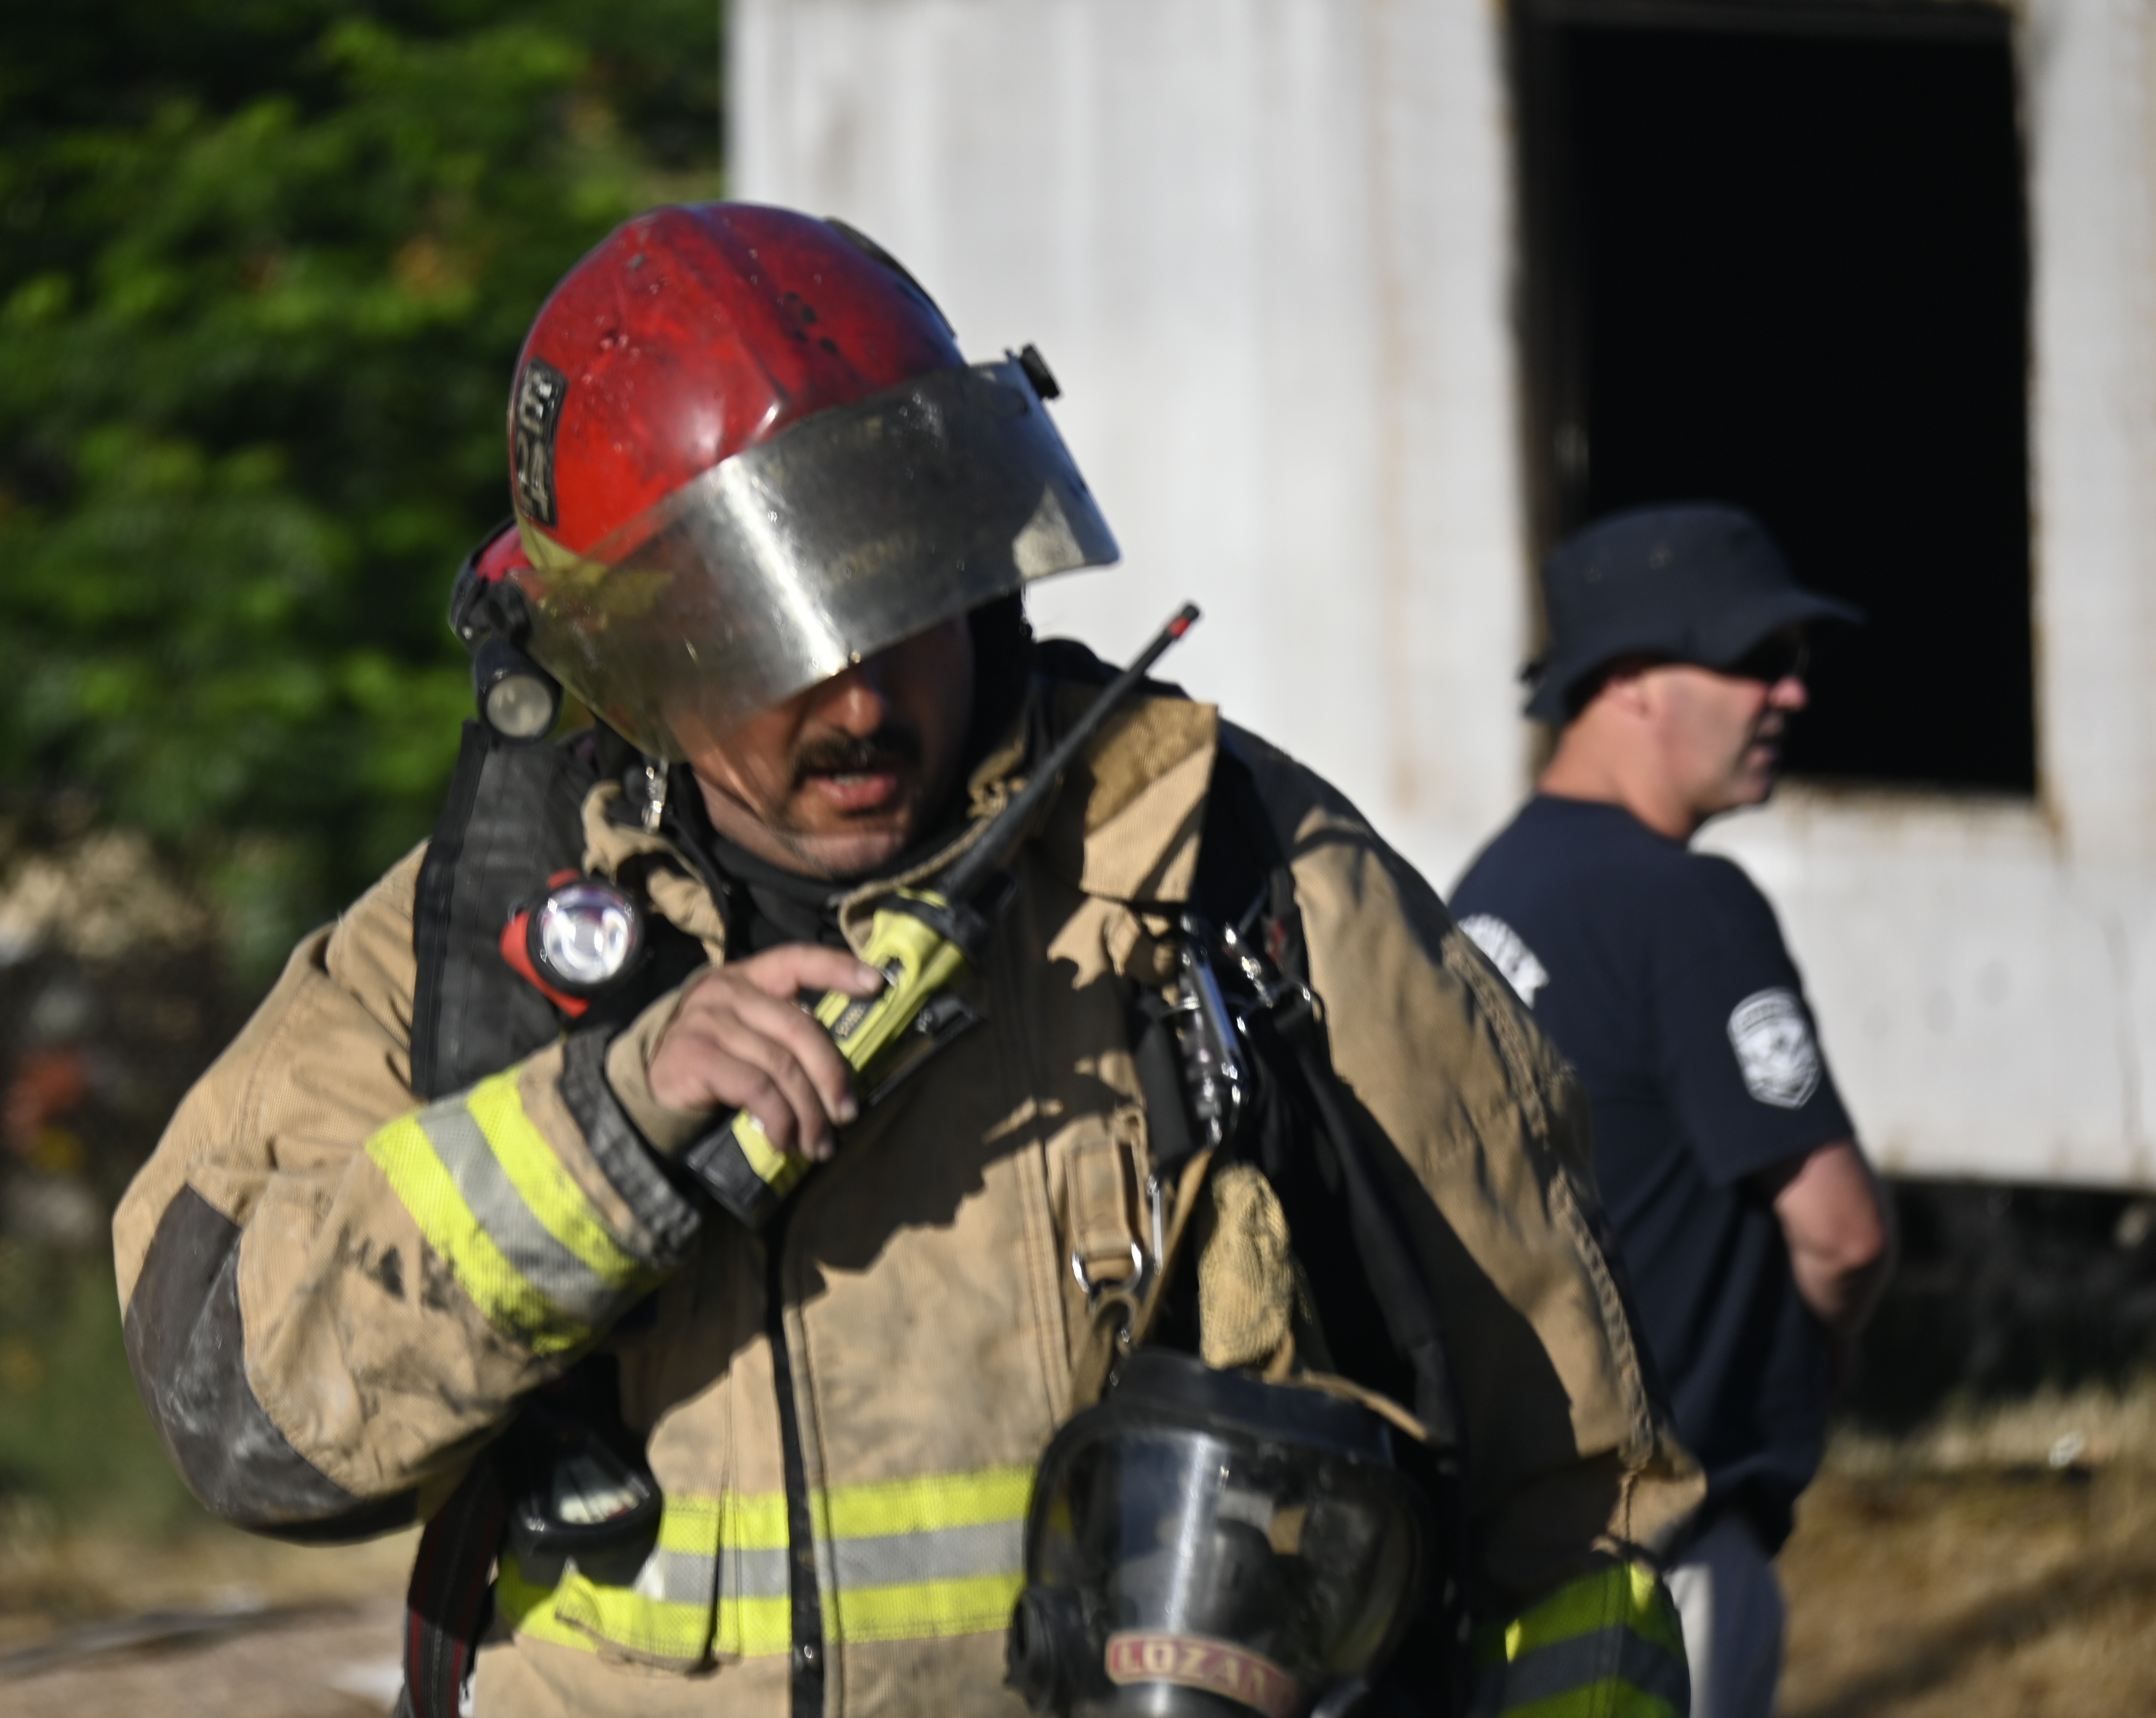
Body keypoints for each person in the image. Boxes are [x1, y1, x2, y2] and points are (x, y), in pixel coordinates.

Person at [115, 204, 1703, 1718]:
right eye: (769, 632)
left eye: (903, 591)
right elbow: (233, 1409)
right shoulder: (480, 943)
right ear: (630, 652)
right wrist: (603, 1133)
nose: (864, 699)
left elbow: (1578, 1509)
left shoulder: (1228, 877)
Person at [1449, 504, 1894, 1718]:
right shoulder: (1684, 905)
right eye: (1756, 659)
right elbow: (1843, 1233)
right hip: (1667, 1563)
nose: (1792, 693)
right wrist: (1826, 1348)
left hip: (1506, 1562)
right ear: (1631, 680)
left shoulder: (1486, 893)